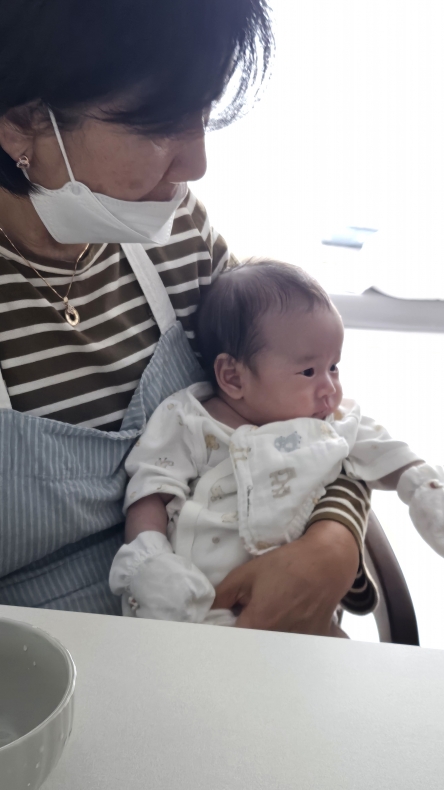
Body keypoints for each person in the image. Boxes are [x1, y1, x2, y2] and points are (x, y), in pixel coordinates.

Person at [0, 0, 370, 634]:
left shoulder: (174, 227)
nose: (196, 164)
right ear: (21, 122)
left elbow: (308, 393)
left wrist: (333, 540)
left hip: (234, 612)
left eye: (203, 114)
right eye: (159, 127)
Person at [109, 260, 444, 630]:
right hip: (194, 607)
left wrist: (426, 492)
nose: (329, 388)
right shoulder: (189, 419)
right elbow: (149, 492)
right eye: (309, 371)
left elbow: (391, 455)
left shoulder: (329, 423)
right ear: (233, 377)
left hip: (300, 609)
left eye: (334, 366)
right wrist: (151, 561)